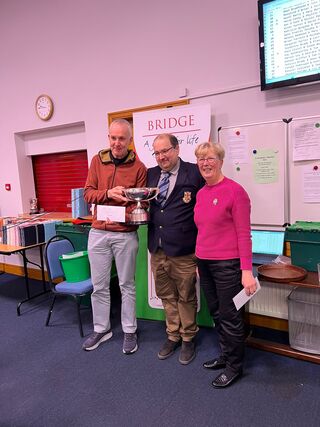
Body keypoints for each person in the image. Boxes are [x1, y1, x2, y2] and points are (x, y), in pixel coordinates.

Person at [194, 142, 256, 388]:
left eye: (210, 158)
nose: (205, 163)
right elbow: (203, 230)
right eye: (201, 159)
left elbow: (244, 234)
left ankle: (234, 367)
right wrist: (200, 261)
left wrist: (247, 271)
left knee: (231, 317)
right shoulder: (200, 193)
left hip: (228, 265)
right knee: (217, 313)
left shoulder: (235, 192)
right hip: (205, 263)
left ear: (220, 160)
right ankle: (226, 354)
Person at [82, 119, 147, 354]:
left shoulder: (139, 167)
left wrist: (121, 216)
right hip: (98, 233)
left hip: (125, 234)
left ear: (130, 141)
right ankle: (101, 329)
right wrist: (108, 193)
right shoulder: (97, 161)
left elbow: (140, 204)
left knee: (126, 285)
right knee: (99, 286)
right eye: (113, 137)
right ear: (108, 138)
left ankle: (129, 330)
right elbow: (88, 194)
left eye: (122, 138)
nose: (117, 143)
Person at [147, 133, 204, 365]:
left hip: (184, 249)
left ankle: (188, 337)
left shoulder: (194, 172)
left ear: (177, 149)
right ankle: (173, 335)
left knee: (186, 296)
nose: (162, 156)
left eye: (165, 151)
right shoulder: (150, 174)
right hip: (157, 248)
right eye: (157, 153)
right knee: (166, 296)